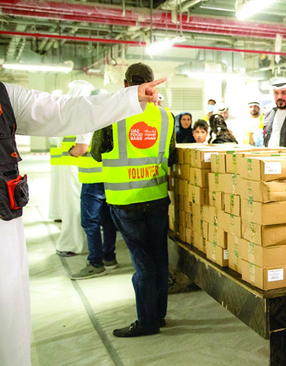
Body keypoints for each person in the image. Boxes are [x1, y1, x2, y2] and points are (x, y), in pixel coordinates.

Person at [0, 74, 165, 366]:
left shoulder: (6, 97)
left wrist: (129, 98)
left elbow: (66, 111)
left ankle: (100, 262)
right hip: (143, 194)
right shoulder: (165, 117)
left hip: (114, 193)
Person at [91, 63, 177, 338]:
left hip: (125, 201)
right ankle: (158, 315)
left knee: (142, 263)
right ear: (152, 84)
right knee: (159, 259)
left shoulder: (111, 117)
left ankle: (147, 322)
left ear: (126, 85)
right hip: (157, 197)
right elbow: (172, 156)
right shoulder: (166, 116)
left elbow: (96, 153)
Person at [70, 119, 118, 280]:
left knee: (90, 222)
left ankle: (95, 263)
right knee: (108, 220)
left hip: (92, 180)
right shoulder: (111, 121)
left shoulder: (87, 123)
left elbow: (81, 149)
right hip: (109, 177)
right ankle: (109, 258)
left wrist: (71, 151)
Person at [52, 80, 95, 257]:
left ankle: (74, 244)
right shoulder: (79, 114)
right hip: (74, 167)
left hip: (73, 167)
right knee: (75, 206)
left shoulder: (71, 115)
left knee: (74, 207)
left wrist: (71, 152)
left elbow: (78, 146)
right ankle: (76, 243)